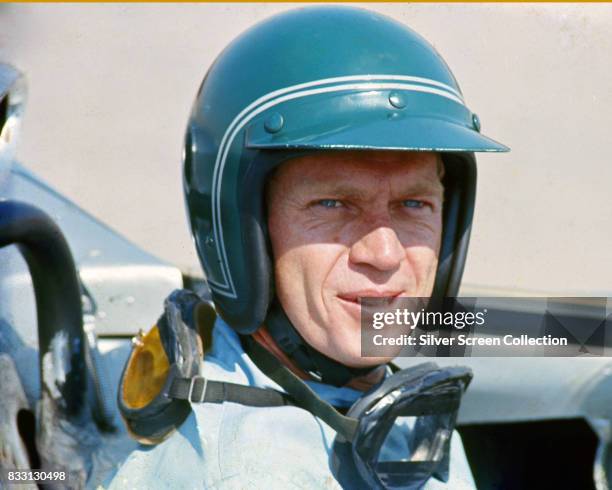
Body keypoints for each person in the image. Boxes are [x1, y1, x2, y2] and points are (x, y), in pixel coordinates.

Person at [111, 6, 508, 489]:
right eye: (333, 203)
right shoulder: (247, 474)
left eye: (413, 203)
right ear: (244, 232)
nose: (384, 254)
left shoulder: (384, 406)